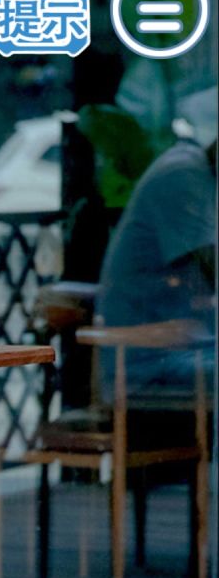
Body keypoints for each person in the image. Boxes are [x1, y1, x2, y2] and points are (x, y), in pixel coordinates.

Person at [96, 89, 216, 401]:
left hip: (184, 349)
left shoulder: (197, 172)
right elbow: (212, 266)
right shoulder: (184, 173)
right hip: (149, 363)